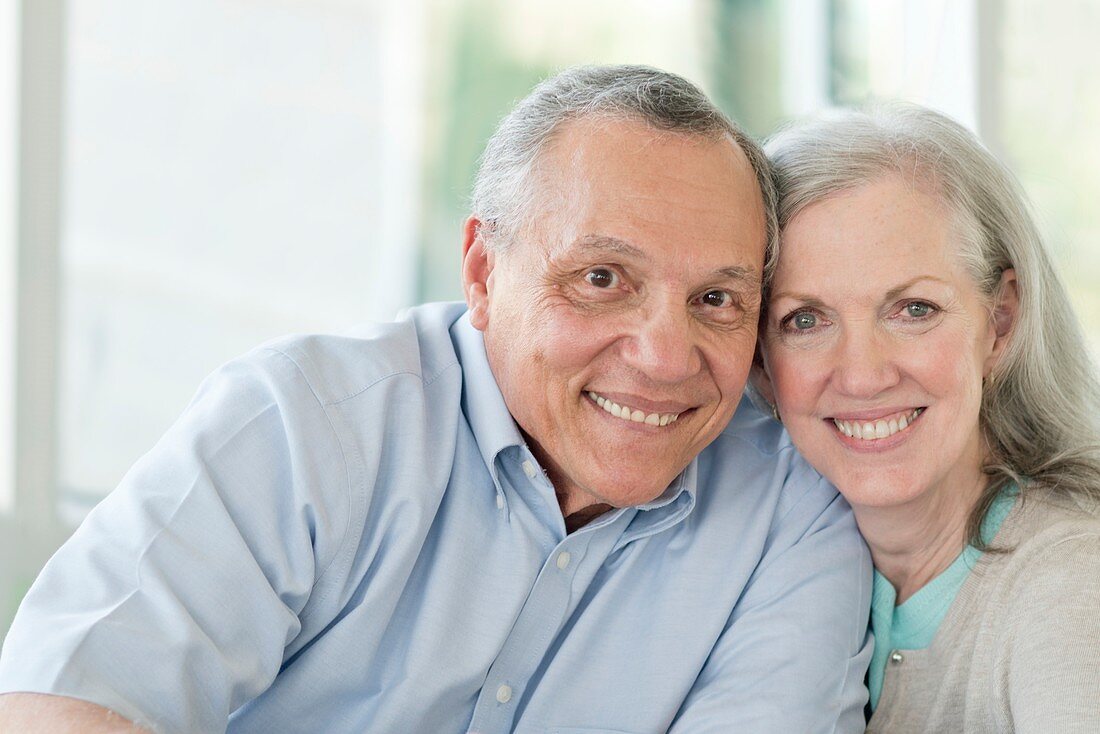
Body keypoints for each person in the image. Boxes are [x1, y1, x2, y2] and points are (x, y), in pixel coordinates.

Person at [0, 65, 872, 733]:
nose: (664, 356)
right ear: (484, 273)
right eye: (602, 279)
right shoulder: (304, 423)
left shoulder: (793, 516)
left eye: (716, 299)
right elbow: (59, 705)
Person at [754, 102, 1100, 732]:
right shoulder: (770, 569)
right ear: (759, 364)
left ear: (1000, 322)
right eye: (804, 320)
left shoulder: (1075, 580)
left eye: (913, 309)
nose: (862, 375)